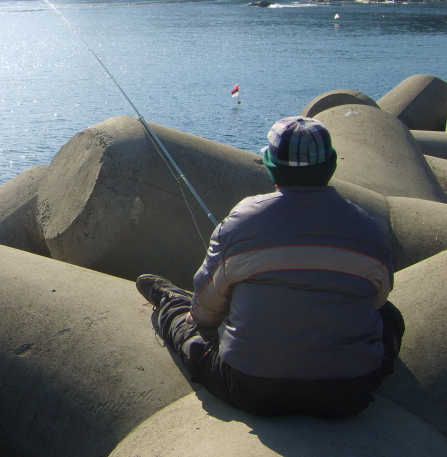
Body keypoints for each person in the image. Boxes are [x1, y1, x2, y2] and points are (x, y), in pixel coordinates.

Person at [137, 115, 404, 419]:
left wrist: (202, 320)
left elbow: (205, 309)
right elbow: (378, 298)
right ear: (331, 165)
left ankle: (168, 301)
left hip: (253, 389)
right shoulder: (368, 228)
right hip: (348, 394)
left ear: (269, 166)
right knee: (391, 316)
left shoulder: (243, 220)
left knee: (189, 328)